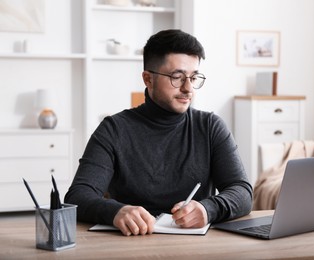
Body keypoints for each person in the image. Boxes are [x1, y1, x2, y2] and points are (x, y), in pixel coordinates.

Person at [64, 29, 253, 236]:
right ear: (148, 79)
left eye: (194, 77)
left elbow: (242, 192)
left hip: (197, 246)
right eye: (177, 77)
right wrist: (115, 211)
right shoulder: (113, 129)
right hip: (133, 244)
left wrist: (208, 209)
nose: (188, 88)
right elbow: (78, 196)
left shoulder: (210, 126)